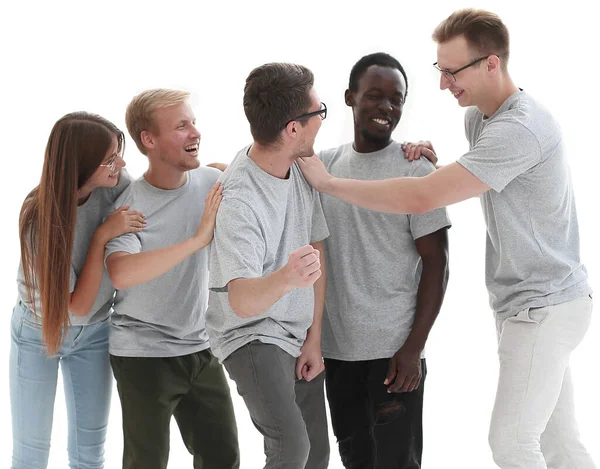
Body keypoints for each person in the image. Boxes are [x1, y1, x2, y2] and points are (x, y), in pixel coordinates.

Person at [297, 9, 594, 469]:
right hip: (524, 304)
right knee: (562, 445)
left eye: (452, 72)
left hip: (545, 306)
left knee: (512, 445)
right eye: (440, 70)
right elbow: (475, 178)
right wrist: (432, 165)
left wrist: (333, 184)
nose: (443, 84)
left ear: (491, 64)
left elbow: (423, 197)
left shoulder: (521, 127)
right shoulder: (481, 119)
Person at [319, 52, 450, 469]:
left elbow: (438, 263)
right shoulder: (324, 167)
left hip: (395, 356)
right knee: (355, 461)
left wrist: (414, 348)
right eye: (374, 96)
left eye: (396, 99)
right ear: (349, 98)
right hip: (337, 353)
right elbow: (265, 165)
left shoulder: (416, 171)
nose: (387, 108)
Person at [104, 89, 239, 469]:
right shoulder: (130, 205)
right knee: (147, 462)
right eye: (181, 126)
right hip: (143, 354)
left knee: (223, 458)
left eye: (193, 122)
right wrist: (197, 239)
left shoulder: (212, 182)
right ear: (149, 140)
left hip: (199, 346)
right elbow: (122, 271)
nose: (194, 132)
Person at [205, 63, 330, 469]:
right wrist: (286, 277)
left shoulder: (296, 167)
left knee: (315, 456)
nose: (322, 121)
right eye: (319, 112)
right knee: (291, 447)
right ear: (293, 128)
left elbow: (315, 253)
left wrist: (313, 337)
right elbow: (241, 300)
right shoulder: (241, 201)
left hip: (295, 333)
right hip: (251, 334)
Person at [11, 112, 144, 469]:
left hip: (96, 331)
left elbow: (156, 192)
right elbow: (76, 306)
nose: (122, 163)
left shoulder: (114, 184)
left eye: (118, 153)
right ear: (82, 166)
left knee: (90, 453)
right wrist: (102, 235)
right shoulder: (39, 219)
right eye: (110, 159)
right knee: (31, 453)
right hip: (38, 331)